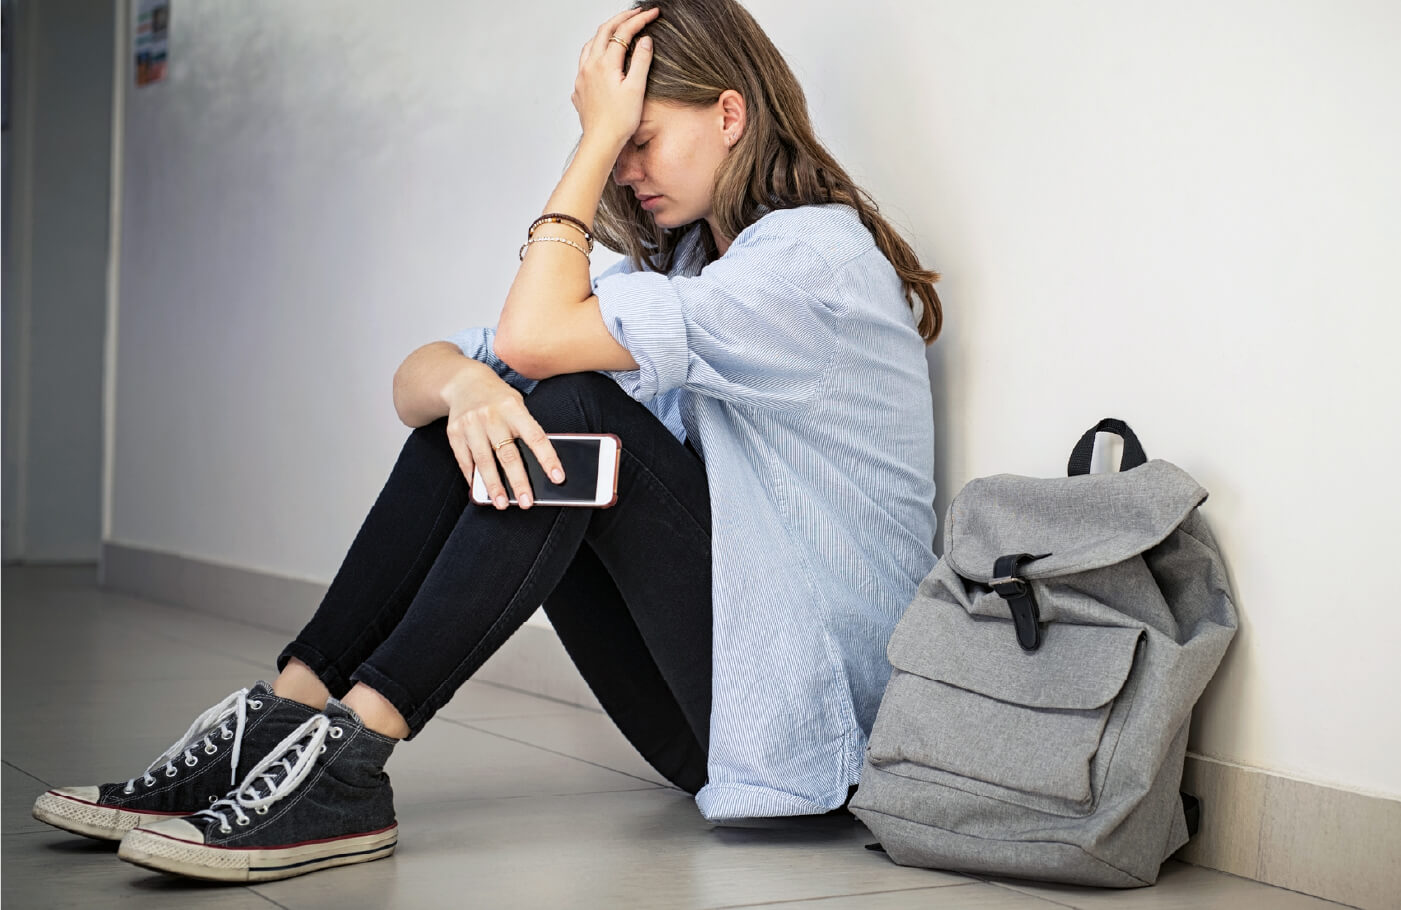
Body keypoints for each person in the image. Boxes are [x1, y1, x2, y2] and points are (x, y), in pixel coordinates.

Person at [31, 0, 942, 883]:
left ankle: (348, 764)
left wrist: (587, 142)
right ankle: (283, 723)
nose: (625, 170)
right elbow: (419, 380)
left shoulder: (811, 262)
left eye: (639, 139)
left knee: (567, 403)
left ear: (729, 114)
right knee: (476, 417)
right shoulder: (690, 270)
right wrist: (467, 387)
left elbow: (535, 343)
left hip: (818, 731)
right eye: (612, 148)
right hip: (721, 724)